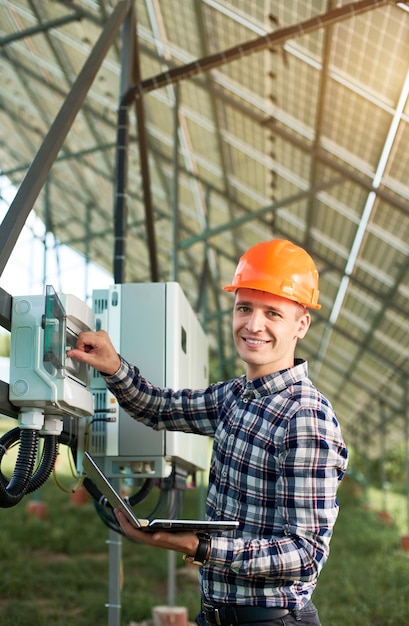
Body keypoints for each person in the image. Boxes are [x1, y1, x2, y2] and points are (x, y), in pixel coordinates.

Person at [68, 239, 348, 626]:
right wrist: (113, 366)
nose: (253, 325)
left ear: (301, 324)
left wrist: (199, 547)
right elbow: (161, 408)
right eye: (244, 308)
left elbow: (304, 554)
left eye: (273, 313)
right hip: (217, 616)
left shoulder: (306, 417)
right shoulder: (235, 396)